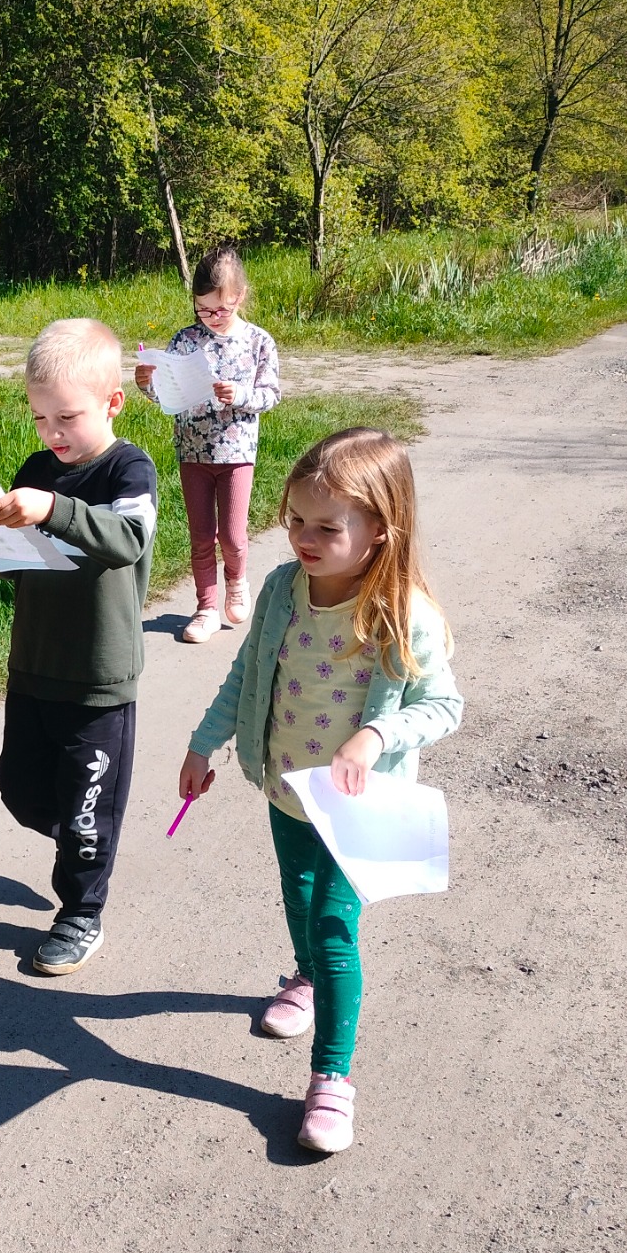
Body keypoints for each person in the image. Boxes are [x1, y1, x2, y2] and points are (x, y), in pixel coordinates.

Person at [176, 428, 462, 1154]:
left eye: (327, 528)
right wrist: (204, 743)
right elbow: (245, 674)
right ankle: (302, 979)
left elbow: (443, 706)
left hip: (357, 808)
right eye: (296, 519)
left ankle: (331, 1077)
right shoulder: (280, 590)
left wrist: (378, 735)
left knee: (335, 926)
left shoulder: (400, 612)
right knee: (297, 896)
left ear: (379, 530)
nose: (304, 537)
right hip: (285, 787)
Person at [0, 317, 158, 975]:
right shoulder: (36, 470)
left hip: (98, 676)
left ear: (113, 403)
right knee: (19, 788)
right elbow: (17, 560)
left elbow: (127, 539)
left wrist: (51, 510)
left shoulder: (127, 469)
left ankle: (81, 910)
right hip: (34, 663)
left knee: (86, 812)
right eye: (39, 418)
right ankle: (85, 837)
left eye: (66, 418)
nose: (52, 434)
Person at [134, 244, 281, 644]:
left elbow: (271, 395)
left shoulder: (258, 342)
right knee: (201, 537)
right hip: (192, 452)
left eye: (221, 310)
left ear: (240, 297)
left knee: (231, 536)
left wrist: (240, 394)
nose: (212, 318)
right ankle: (206, 608)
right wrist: (148, 384)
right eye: (203, 310)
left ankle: (236, 580)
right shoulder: (185, 339)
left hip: (237, 453)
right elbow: (167, 394)